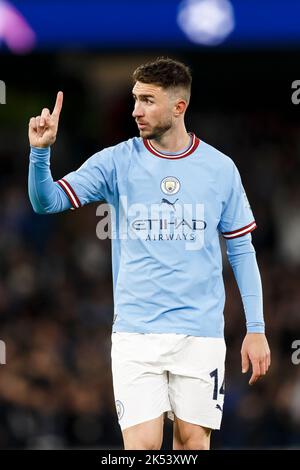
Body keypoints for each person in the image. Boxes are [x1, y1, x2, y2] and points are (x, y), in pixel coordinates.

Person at [28, 57, 271, 450]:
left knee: (192, 446)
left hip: (200, 335)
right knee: (141, 449)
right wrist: (40, 154)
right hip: (136, 335)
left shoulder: (220, 169)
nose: (135, 110)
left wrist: (256, 329)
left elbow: (241, 251)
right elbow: (47, 201)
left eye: (147, 100)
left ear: (179, 107)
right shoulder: (116, 161)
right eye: (134, 98)